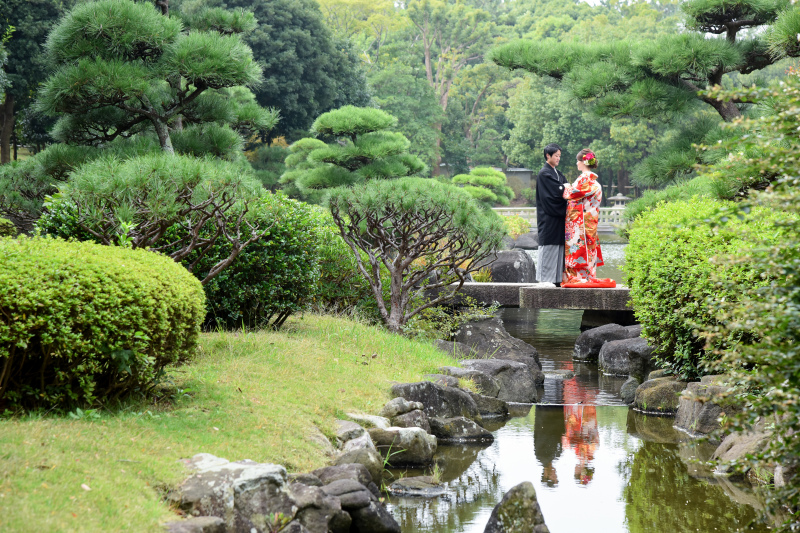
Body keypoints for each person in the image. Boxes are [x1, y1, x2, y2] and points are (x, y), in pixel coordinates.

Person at [562, 149, 607, 285]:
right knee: (590, 248)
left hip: (579, 223)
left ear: (583, 162)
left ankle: (580, 279)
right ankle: (589, 276)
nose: (577, 164)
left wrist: (566, 187)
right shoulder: (594, 181)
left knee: (578, 249)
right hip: (591, 221)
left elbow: (570, 194)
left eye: (578, 161)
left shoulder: (585, 179)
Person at [535, 143, 568, 285]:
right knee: (549, 247)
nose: (558, 158)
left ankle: (556, 279)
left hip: (559, 219)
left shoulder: (557, 173)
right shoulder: (544, 173)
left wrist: (565, 188)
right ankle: (544, 279)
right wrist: (564, 188)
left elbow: (566, 187)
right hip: (548, 218)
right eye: (556, 156)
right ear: (548, 155)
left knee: (559, 248)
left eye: (559, 156)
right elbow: (554, 194)